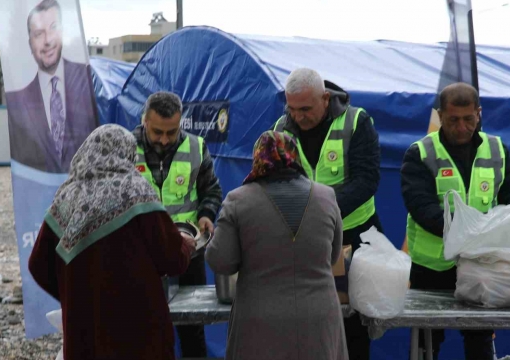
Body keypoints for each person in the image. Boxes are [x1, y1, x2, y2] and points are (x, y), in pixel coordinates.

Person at [28, 124, 196, 360]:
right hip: (139, 335)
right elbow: (171, 258)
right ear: (127, 154)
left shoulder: (66, 196)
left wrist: (75, 294)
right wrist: (186, 245)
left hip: (84, 337)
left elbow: (37, 264)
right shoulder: (136, 190)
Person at [401, 82, 510, 360]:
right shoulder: (420, 153)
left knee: (480, 340)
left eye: (468, 119)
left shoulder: (497, 149)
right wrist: (470, 233)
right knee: (426, 345)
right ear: (440, 115)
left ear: (479, 113)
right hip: (432, 268)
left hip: (481, 265)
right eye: (453, 120)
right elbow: (421, 207)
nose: (461, 127)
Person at [206, 131, 348, 360]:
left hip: (260, 322)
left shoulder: (238, 200)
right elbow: (332, 256)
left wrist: (210, 239)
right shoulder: (326, 196)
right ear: (296, 156)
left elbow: (221, 260)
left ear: (258, 158)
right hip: (319, 318)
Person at [272, 68, 380, 359]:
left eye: (306, 109)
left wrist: (322, 211)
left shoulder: (357, 121)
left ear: (325, 97)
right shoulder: (281, 129)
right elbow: (274, 182)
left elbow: (366, 180)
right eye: (292, 109)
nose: (298, 116)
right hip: (306, 239)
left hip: (354, 237)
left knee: (353, 322)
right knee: (308, 320)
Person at [133, 91, 223, 358]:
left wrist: (207, 213)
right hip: (142, 255)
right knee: (145, 328)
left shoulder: (196, 146)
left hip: (187, 252)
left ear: (180, 122)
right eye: (157, 131)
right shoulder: (125, 148)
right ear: (144, 121)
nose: (164, 139)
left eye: (171, 132)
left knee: (191, 328)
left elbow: (212, 190)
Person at [5, 0, 98, 173]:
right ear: (30, 43)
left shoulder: (90, 82)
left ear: (62, 31)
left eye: (53, 27)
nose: (48, 40)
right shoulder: (17, 102)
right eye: (39, 34)